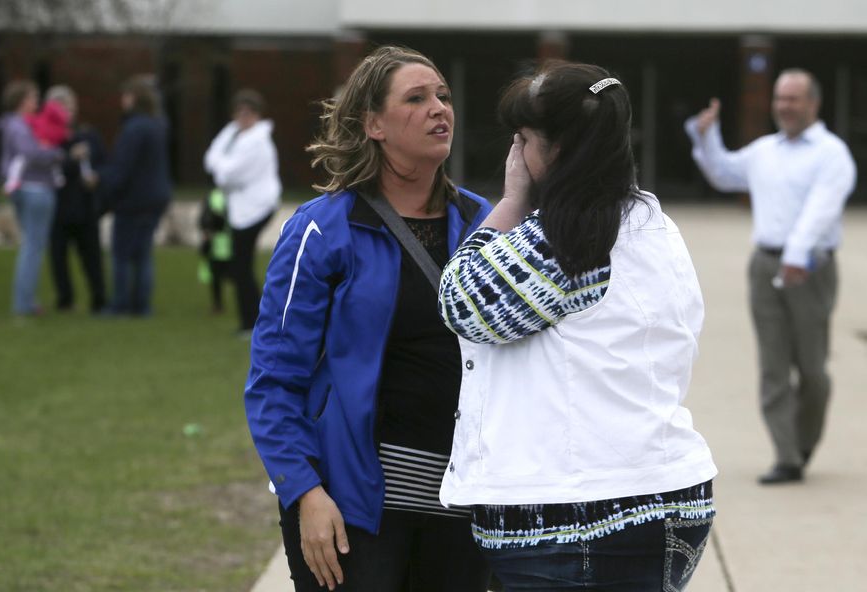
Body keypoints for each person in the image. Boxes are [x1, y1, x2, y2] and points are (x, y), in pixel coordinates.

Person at [437, 61, 718, 591]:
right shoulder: (650, 222)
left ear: (558, 148)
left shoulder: (571, 240)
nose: (515, 154)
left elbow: (461, 299)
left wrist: (512, 200)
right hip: (656, 496)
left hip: (580, 521)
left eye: (523, 139)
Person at [244, 46, 493, 591]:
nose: (439, 109)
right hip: (352, 514)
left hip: (461, 511)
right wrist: (304, 493)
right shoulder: (323, 230)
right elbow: (274, 380)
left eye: (444, 96)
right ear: (373, 124)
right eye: (417, 98)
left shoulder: (487, 226)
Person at [684, 68, 856, 485]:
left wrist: (797, 255)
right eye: (780, 98)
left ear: (813, 104)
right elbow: (724, 173)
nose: (784, 106)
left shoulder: (831, 153)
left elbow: (822, 209)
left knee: (812, 370)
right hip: (764, 265)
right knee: (773, 366)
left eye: (793, 99)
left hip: (811, 266)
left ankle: (804, 440)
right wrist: (706, 137)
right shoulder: (765, 150)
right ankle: (787, 455)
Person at [91, 74, 172, 317]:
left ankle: (121, 304)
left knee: (122, 255)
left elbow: (122, 169)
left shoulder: (134, 128)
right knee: (143, 254)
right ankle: (142, 305)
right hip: (155, 197)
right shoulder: (158, 125)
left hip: (133, 200)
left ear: (134, 98)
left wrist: (100, 178)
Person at [204, 89, 281, 336]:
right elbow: (210, 159)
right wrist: (221, 165)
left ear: (257, 115)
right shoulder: (233, 133)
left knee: (241, 267)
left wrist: (220, 166)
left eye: (248, 113)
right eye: (238, 112)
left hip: (255, 209)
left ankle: (252, 323)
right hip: (242, 208)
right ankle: (253, 321)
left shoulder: (257, 141)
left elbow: (226, 175)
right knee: (240, 266)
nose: (242, 117)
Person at [0, 80, 63, 316]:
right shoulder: (18, 127)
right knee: (33, 247)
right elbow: (30, 153)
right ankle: (22, 304)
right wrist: (56, 153)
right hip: (35, 189)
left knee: (32, 245)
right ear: (21, 101)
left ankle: (26, 300)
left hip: (27, 189)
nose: (37, 103)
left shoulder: (19, 125)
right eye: (34, 97)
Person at [45, 85, 107, 313]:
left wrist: (97, 177)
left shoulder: (89, 135)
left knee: (91, 255)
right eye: (61, 108)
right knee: (59, 256)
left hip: (85, 205)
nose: (66, 113)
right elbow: (50, 170)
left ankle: (99, 299)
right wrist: (71, 160)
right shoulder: (50, 140)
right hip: (59, 206)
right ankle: (65, 299)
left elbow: (103, 163)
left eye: (69, 107)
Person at [4, 96, 69, 194]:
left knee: (19, 161)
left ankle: (12, 181)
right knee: (21, 161)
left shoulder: (43, 118)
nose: (36, 105)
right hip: (36, 178)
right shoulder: (53, 121)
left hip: (42, 153)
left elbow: (31, 121)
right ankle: (57, 178)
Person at [196, 187, 233, 314]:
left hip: (222, 244)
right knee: (220, 277)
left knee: (219, 277)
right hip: (224, 244)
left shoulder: (213, 196)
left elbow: (204, 219)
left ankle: (218, 305)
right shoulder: (229, 194)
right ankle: (219, 305)